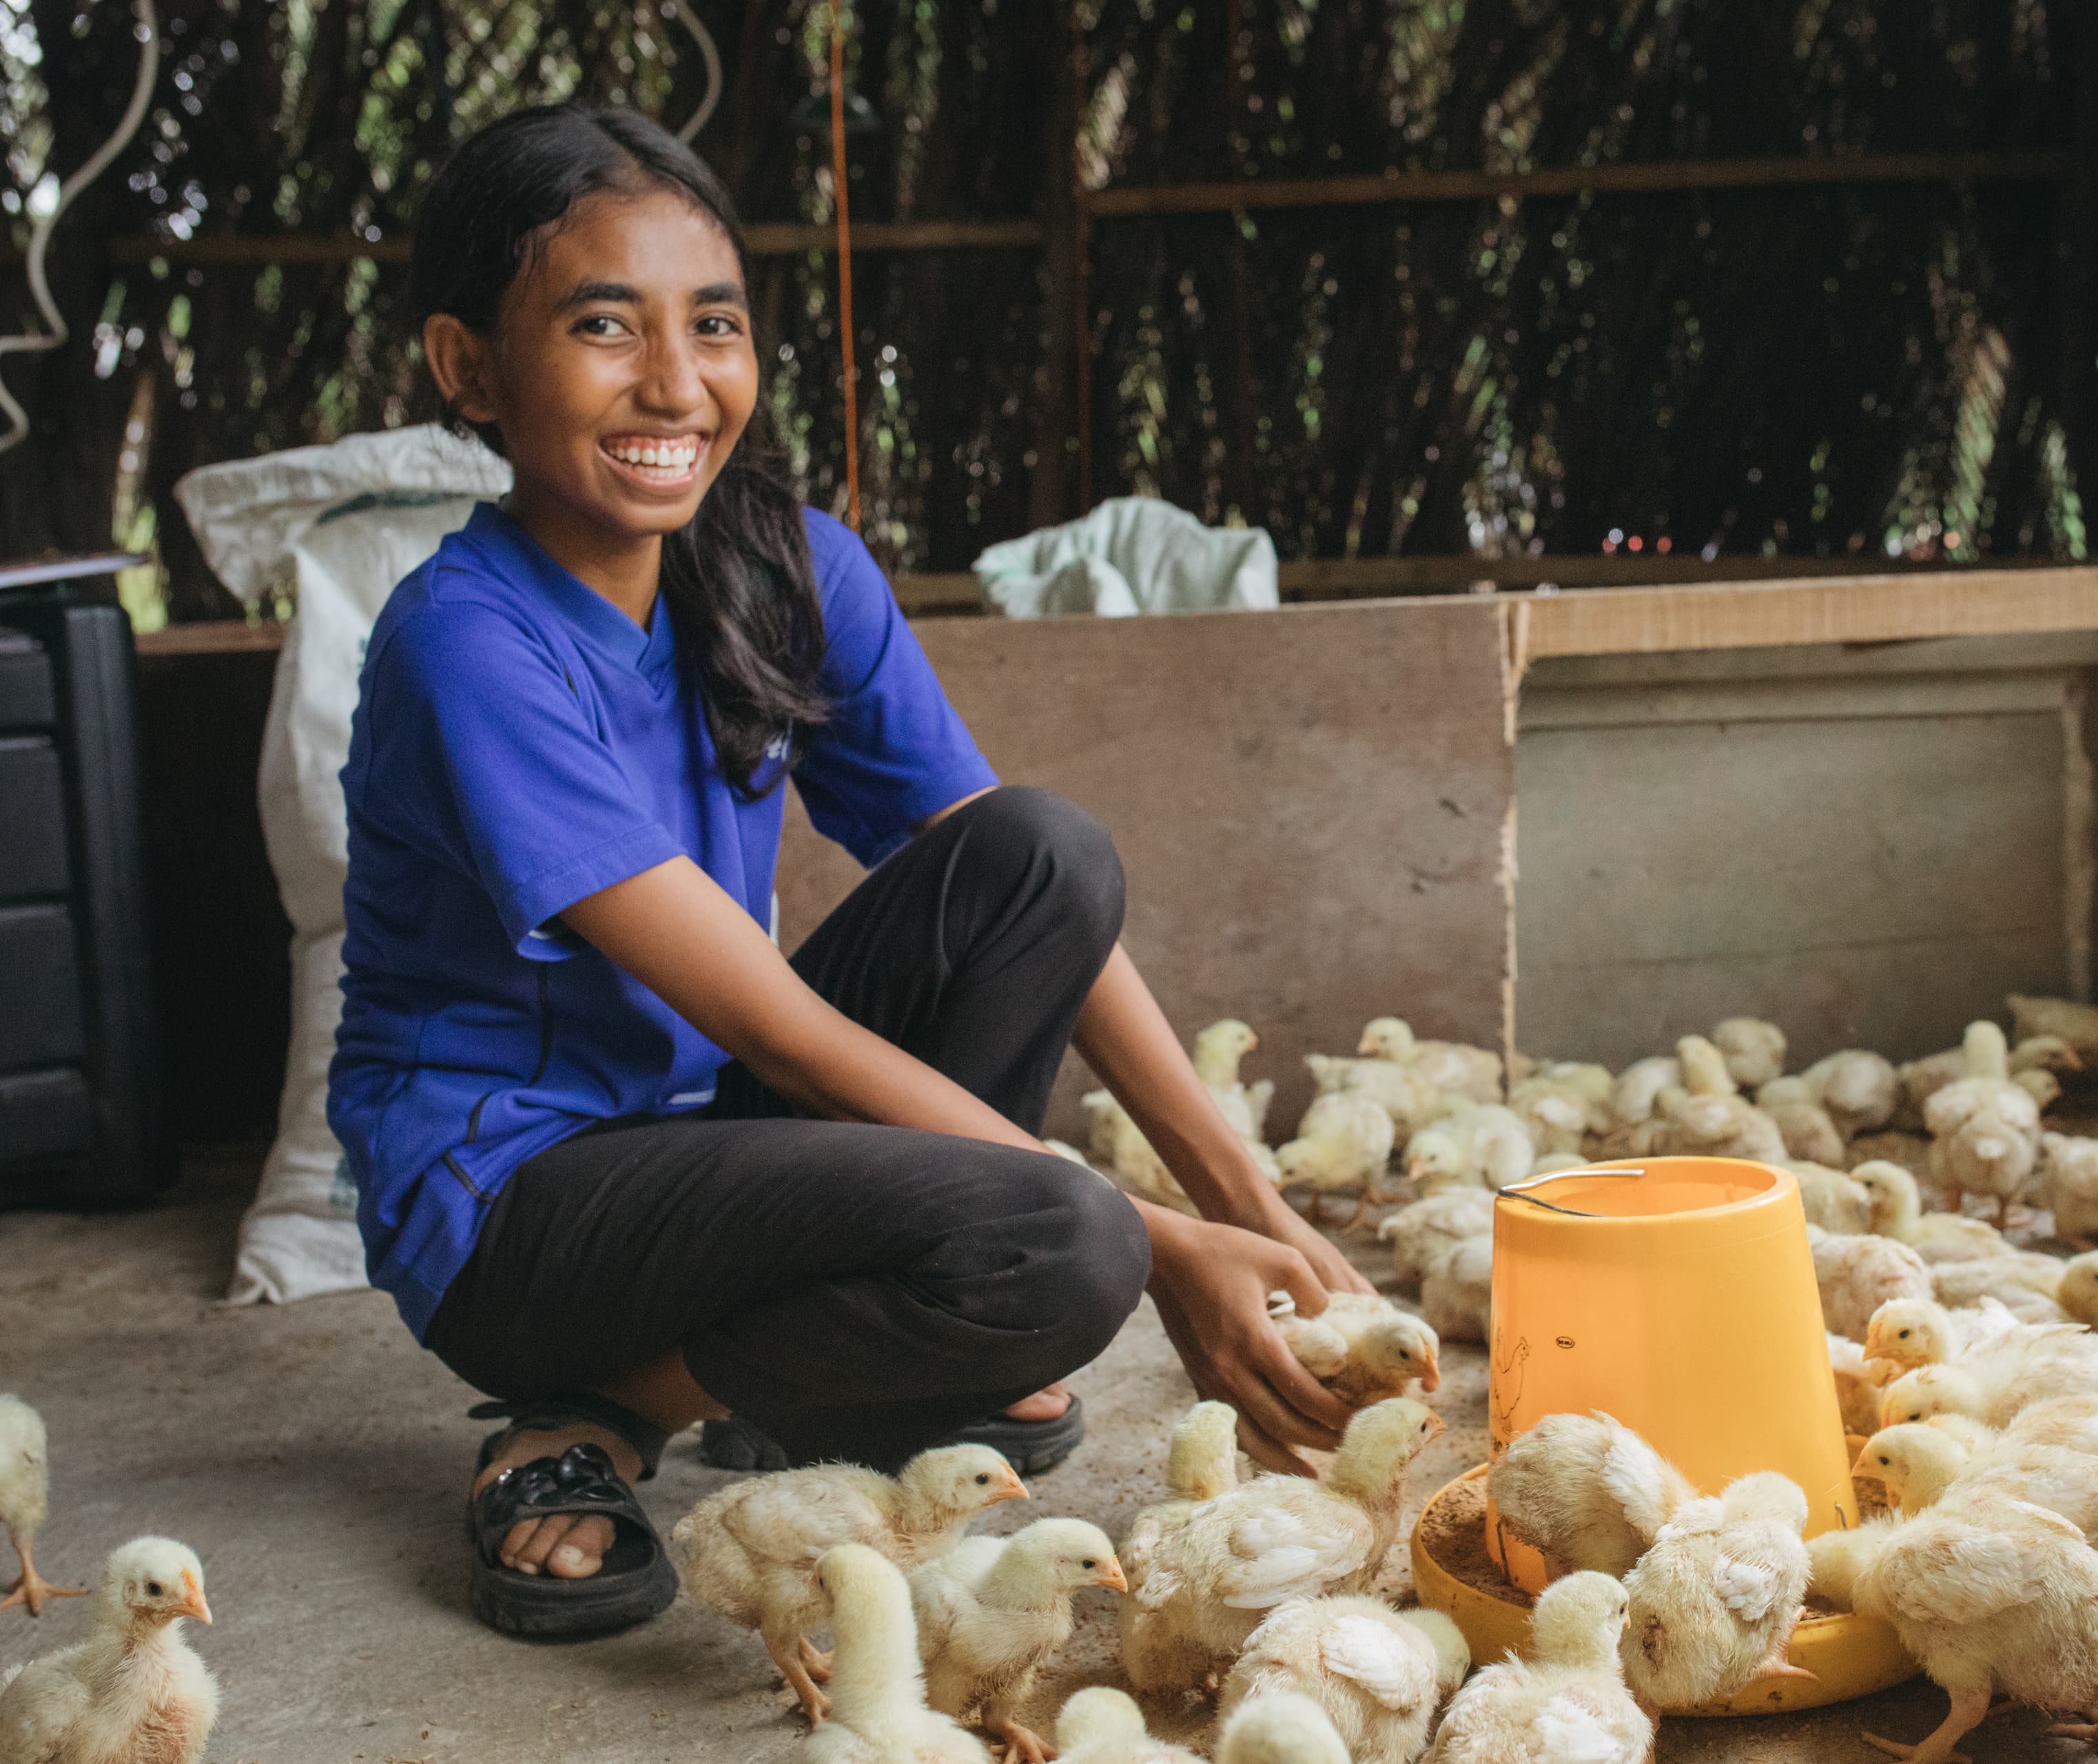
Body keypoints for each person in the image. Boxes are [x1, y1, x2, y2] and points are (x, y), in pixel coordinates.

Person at [329, 104, 1368, 1639]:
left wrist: (1251, 1201)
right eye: (603, 327)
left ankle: (810, 1358)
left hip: (722, 1154)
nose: (675, 384)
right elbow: (781, 1033)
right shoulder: (467, 642)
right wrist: (1153, 1246)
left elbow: (1009, 875)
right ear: (469, 365)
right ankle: (601, 1408)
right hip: (521, 1207)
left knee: (1041, 852)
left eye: (715, 326)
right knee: (1061, 1241)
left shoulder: (784, 565)